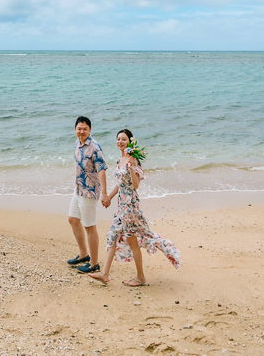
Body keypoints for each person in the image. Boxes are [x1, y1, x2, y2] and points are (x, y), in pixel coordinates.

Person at [89, 128, 181, 286]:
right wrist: (109, 197)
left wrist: (131, 167)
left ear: (130, 142)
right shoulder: (120, 160)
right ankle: (104, 274)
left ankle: (140, 277)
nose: (120, 141)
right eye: (118, 139)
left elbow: (135, 185)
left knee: (132, 241)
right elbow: (120, 184)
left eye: (124, 139)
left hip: (130, 206)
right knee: (112, 235)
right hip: (121, 205)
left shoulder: (134, 161)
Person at [67, 115, 108, 274]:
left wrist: (104, 193)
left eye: (85, 129)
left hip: (89, 192)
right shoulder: (77, 143)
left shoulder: (94, 147)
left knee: (90, 227)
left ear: (90, 130)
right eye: (79, 128)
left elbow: (102, 170)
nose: (82, 131)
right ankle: (84, 254)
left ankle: (94, 264)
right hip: (78, 189)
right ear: (75, 129)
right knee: (73, 220)